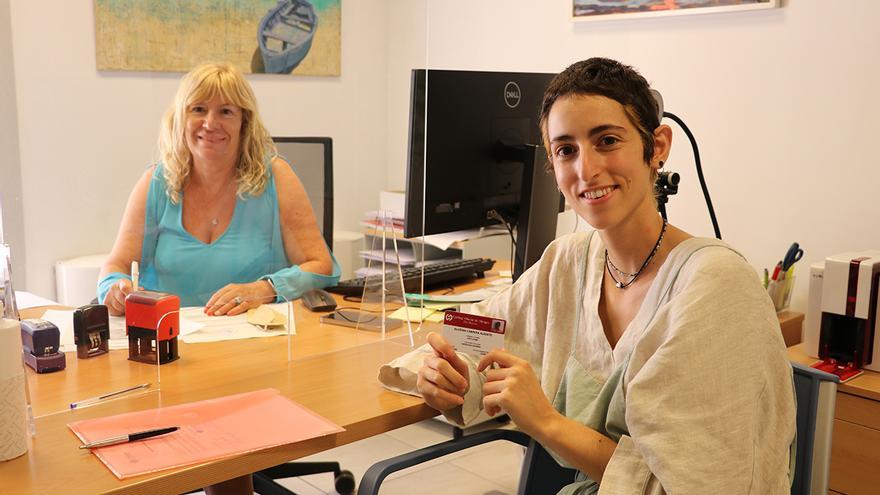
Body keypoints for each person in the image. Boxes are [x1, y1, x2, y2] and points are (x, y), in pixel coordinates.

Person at [417, 58, 796, 493]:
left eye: (608, 140)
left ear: (657, 147)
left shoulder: (716, 287)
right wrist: (451, 373)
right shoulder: (570, 261)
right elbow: (482, 330)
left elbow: (688, 485)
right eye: (566, 150)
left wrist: (544, 420)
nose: (586, 170)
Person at [97, 62, 339, 318]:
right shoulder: (156, 182)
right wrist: (114, 289)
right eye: (198, 109)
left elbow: (320, 266)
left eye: (225, 111)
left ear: (244, 122)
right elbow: (116, 266)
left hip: (254, 339)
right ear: (181, 118)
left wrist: (263, 289)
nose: (210, 124)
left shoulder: (276, 177)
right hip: (170, 340)